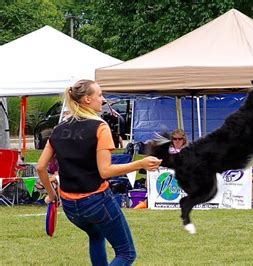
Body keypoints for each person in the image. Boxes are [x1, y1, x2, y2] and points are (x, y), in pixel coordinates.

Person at [36, 79, 161, 265]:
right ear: (87, 99)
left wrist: (53, 195)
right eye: (100, 95)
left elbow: (40, 167)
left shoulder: (58, 129)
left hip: (71, 205)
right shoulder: (100, 127)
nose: (103, 100)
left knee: (96, 236)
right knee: (126, 254)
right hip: (97, 201)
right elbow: (105, 171)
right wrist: (140, 164)